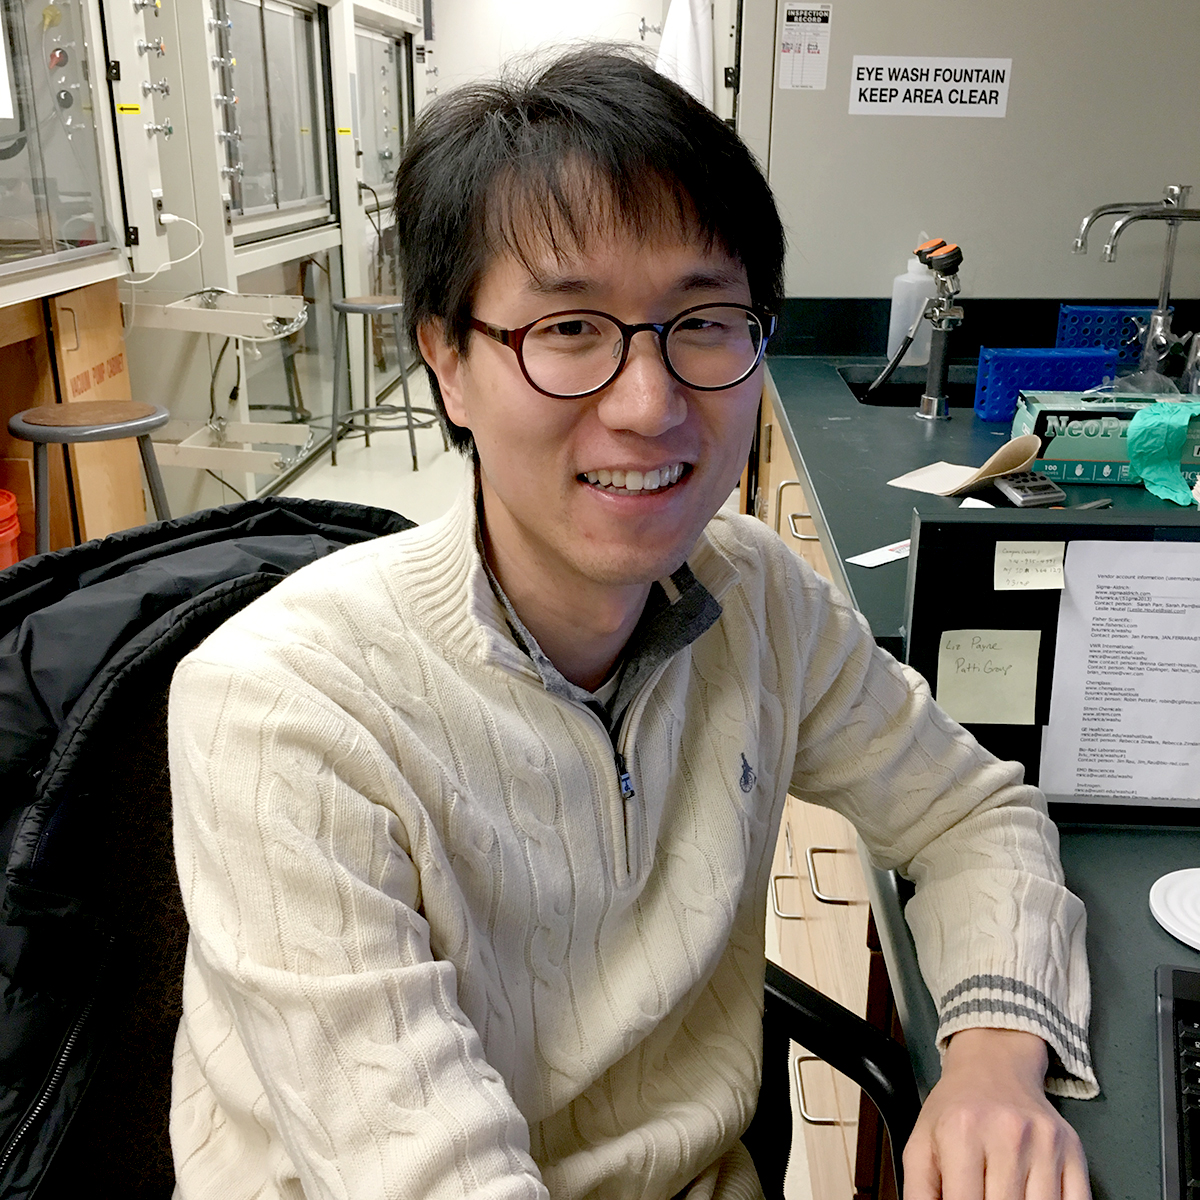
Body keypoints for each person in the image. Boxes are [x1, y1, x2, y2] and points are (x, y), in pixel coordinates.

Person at [168, 47, 1096, 1200]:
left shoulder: (755, 597)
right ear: (447, 362)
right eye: (567, 331)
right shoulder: (281, 706)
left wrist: (996, 1067)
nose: (650, 406)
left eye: (704, 320)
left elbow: (972, 812)